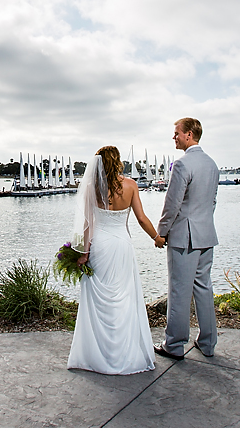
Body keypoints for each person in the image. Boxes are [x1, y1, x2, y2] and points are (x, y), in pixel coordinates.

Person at [67, 146, 166, 375]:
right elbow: (141, 219)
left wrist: (81, 253)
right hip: (121, 245)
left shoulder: (92, 188)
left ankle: (98, 354)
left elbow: (86, 224)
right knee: (124, 297)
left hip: (100, 246)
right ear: (118, 161)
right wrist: (157, 238)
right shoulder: (130, 185)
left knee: (100, 301)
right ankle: (126, 352)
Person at [155, 117, 220, 360]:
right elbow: (212, 201)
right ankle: (208, 342)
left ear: (189, 135)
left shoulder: (182, 165)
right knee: (204, 288)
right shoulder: (212, 164)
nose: (174, 137)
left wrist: (161, 232)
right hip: (206, 234)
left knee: (179, 291)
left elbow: (172, 204)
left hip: (185, 237)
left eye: (176, 133)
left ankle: (174, 345)